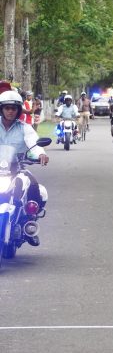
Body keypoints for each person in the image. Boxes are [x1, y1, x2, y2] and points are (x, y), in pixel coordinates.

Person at [0, 90, 49, 246]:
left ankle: (28, 225)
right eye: (6, 107)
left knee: (34, 187)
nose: (10, 111)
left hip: (16, 167)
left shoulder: (24, 127)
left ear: (18, 110)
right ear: (1, 109)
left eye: (13, 108)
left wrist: (40, 154)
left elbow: (33, 143)